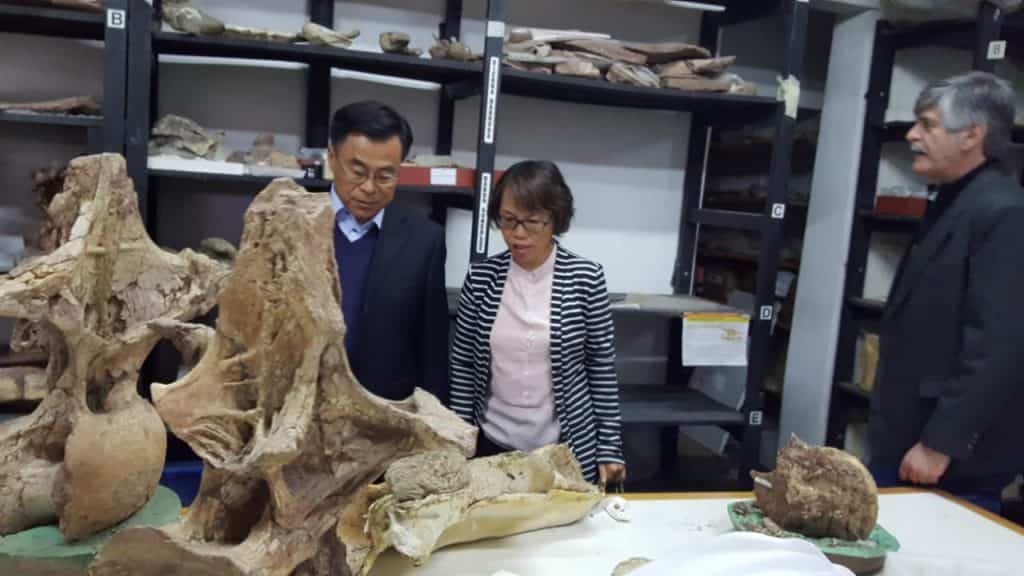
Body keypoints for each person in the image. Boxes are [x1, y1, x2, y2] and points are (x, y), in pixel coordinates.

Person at [868, 71, 1024, 514]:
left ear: (972, 135)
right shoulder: (958, 199)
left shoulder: (1004, 211)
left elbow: (998, 346)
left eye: (928, 124)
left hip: (950, 461)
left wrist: (941, 443)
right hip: (910, 437)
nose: (912, 135)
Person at [449, 160, 626, 486]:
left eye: (532, 222)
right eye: (508, 220)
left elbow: (600, 367)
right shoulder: (482, 278)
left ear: (555, 219)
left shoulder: (586, 278)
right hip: (492, 445)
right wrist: (460, 437)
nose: (518, 234)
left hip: (566, 449)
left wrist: (610, 446)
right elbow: (463, 363)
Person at [327, 100, 449, 404]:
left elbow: (432, 351)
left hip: (384, 414)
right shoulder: (288, 221)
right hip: (297, 412)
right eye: (357, 172)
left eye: (385, 176)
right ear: (332, 158)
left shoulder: (425, 240)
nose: (369, 188)